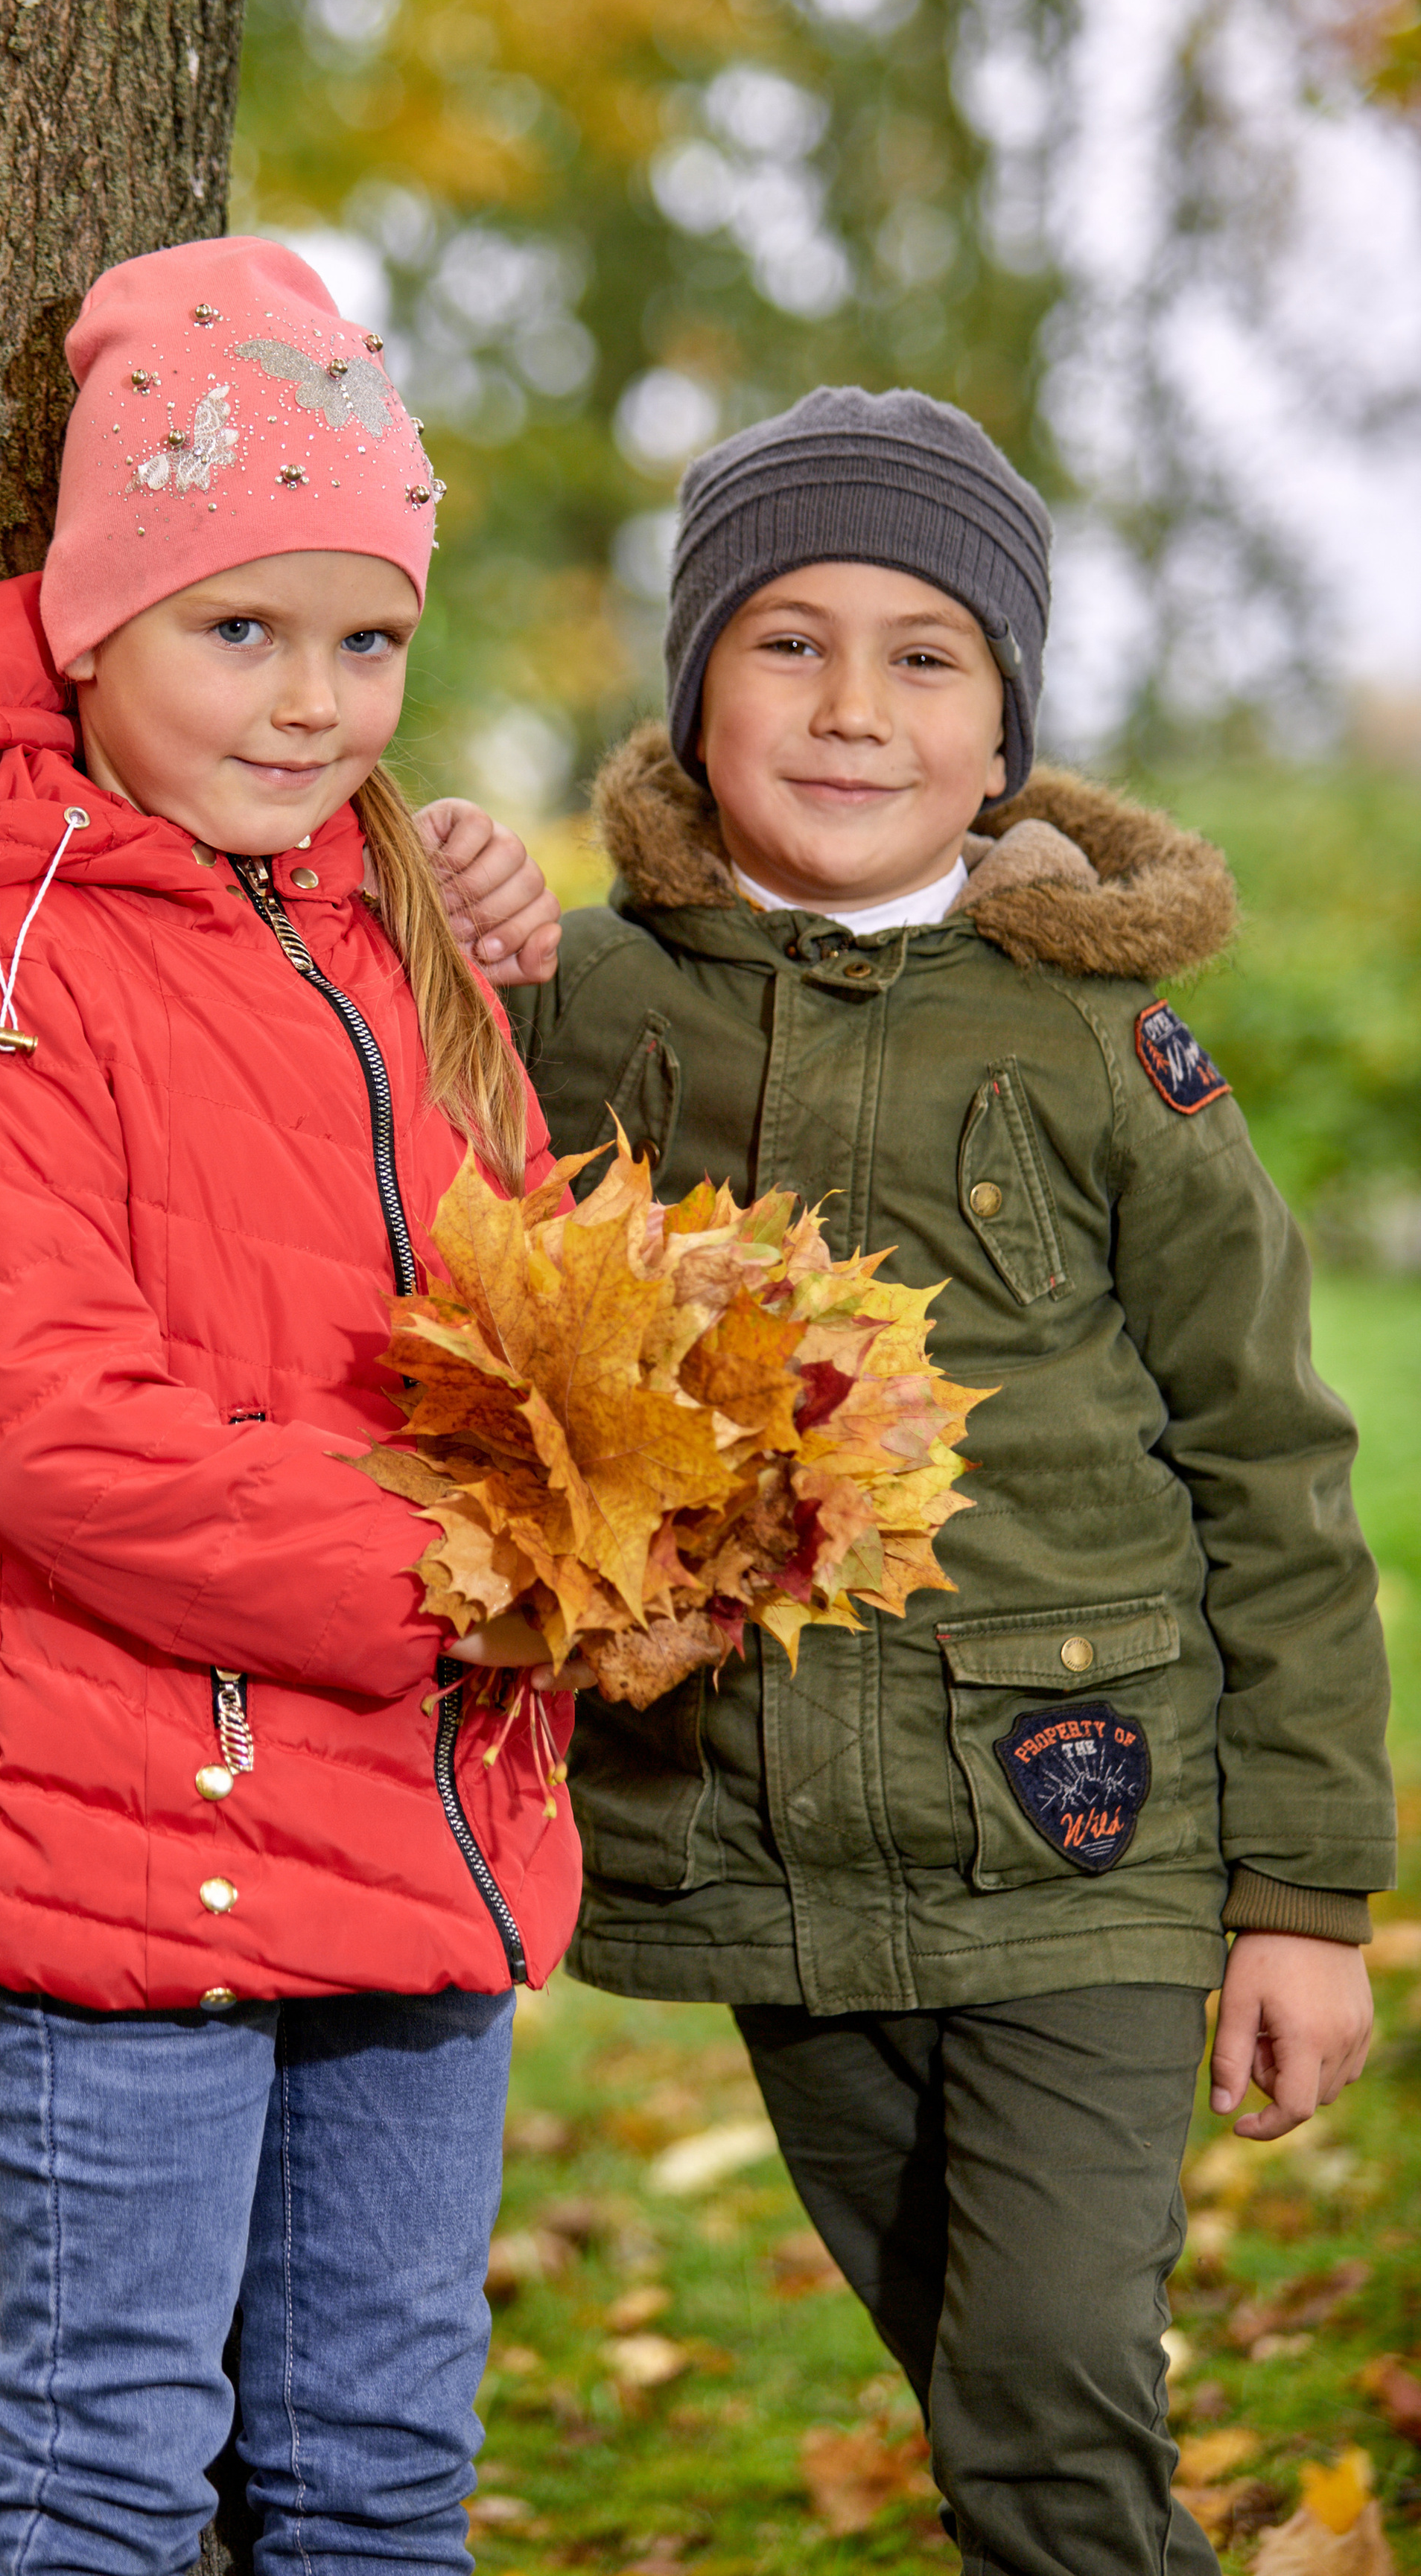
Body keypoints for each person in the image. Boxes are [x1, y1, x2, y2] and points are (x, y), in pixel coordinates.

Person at [499, 387, 1395, 2576]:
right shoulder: (586, 994)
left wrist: (1301, 1893)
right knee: (970, 2371)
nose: (849, 707)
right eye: (785, 642)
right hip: (769, 1837)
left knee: (1056, 2403)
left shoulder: (1098, 1040)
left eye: (925, 656)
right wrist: (439, 875)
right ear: (693, 685)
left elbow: (1268, 1458)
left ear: (1004, 736)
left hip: (1079, 1823)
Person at [0, 235, 582, 2576]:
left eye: (367, 639)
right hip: (134, 1851)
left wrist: (612, 1533)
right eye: (236, 630)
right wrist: (467, 1576)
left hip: (425, 1848)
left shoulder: (405, 952)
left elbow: (543, 1335)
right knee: (106, 2476)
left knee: (377, 2484)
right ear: (87, 636)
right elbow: (60, 1439)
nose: (312, 701)